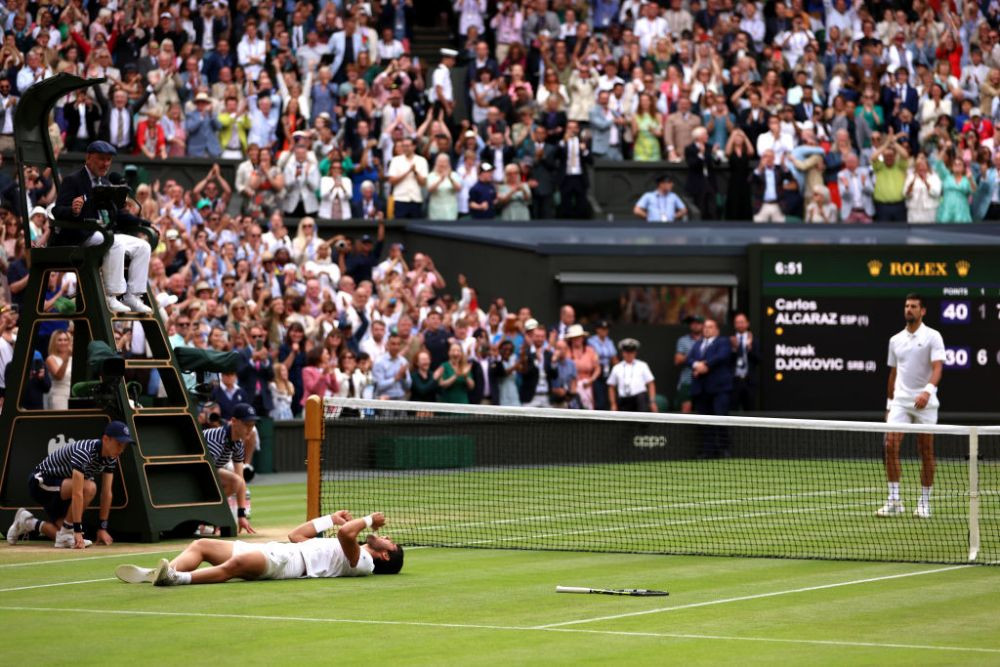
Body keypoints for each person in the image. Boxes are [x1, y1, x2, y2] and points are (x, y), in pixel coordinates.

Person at [115, 509, 403, 586]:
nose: (387, 536)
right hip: (281, 550)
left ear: (385, 554)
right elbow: (295, 535)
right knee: (202, 545)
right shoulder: (345, 548)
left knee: (233, 567)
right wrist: (329, 518)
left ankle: (178, 578)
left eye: (391, 542)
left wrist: (368, 520)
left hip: (288, 565)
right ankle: (157, 574)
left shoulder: (365, 563)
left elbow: (345, 533)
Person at [50, 141, 152, 315]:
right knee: (114, 243)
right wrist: (73, 210)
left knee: (143, 247)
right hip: (80, 235)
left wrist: (144, 223)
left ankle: (132, 296)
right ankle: (111, 295)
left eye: (108, 160)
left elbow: (118, 215)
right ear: (89, 158)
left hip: (104, 233)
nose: (105, 164)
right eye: (101, 159)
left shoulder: (105, 182)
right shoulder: (73, 180)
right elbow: (57, 210)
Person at [6, 421, 135, 549]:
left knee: (62, 536)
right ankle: (67, 531)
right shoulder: (84, 451)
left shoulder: (111, 458)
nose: (121, 450)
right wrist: (77, 530)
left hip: (63, 488)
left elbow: (107, 493)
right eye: (119, 444)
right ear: (106, 439)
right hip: (40, 483)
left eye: (124, 446)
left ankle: (27, 521)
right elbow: (77, 492)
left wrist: (102, 527)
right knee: (89, 488)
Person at [878, 294, 945, 519]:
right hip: (900, 402)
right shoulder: (895, 340)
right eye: (907, 306)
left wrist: (927, 391)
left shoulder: (933, 336)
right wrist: (889, 404)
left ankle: (924, 503)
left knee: (925, 450)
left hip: (926, 403)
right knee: (889, 446)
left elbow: (937, 368)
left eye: (914, 306)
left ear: (922, 311)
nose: (909, 309)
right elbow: (893, 373)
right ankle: (894, 500)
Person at [202, 403, 257, 534]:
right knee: (231, 481)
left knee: (237, 481)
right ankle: (204, 518)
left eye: (252, 425)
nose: (250, 429)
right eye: (246, 424)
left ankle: (207, 516)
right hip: (192, 471)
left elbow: (241, 481)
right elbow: (205, 475)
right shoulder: (216, 440)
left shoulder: (238, 444)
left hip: (207, 470)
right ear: (234, 421)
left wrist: (241, 515)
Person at [686, 318, 733, 456]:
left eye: (710, 327)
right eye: (705, 327)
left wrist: (705, 365)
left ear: (717, 330)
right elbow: (689, 359)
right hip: (701, 390)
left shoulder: (723, 342)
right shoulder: (698, 344)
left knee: (720, 418)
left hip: (720, 389)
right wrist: (697, 365)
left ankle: (724, 450)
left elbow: (721, 356)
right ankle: (708, 451)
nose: (707, 329)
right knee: (705, 421)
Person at [607, 338, 656, 412]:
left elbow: (651, 383)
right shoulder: (617, 368)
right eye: (627, 352)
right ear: (623, 353)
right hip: (624, 400)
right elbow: (611, 386)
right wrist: (613, 404)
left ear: (635, 353)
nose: (629, 354)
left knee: (641, 417)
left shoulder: (642, 365)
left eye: (631, 352)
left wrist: (652, 401)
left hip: (640, 400)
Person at [673, 315, 703, 413]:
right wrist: (695, 358)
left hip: (704, 381)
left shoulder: (707, 340)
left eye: (697, 323)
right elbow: (677, 360)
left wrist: (687, 357)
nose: (695, 325)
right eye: (692, 323)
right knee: (686, 409)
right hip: (687, 381)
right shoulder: (683, 340)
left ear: (702, 325)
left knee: (703, 410)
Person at [729, 313, 758, 412]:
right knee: (732, 411)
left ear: (747, 323)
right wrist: (734, 349)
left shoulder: (754, 340)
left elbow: (758, 359)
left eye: (742, 322)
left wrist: (749, 348)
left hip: (749, 380)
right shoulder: (730, 340)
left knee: (750, 411)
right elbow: (726, 361)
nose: (740, 325)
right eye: (737, 322)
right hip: (734, 381)